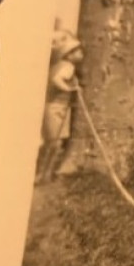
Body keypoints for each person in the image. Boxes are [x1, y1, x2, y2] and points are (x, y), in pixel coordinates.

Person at [36, 32, 83, 183]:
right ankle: (43, 173)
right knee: (55, 143)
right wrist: (70, 89)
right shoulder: (68, 67)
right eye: (76, 51)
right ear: (68, 55)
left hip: (56, 107)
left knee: (54, 143)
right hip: (56, 108)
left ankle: (44, 173)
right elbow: (57, 80)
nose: (80, 54)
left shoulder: (58, 65)